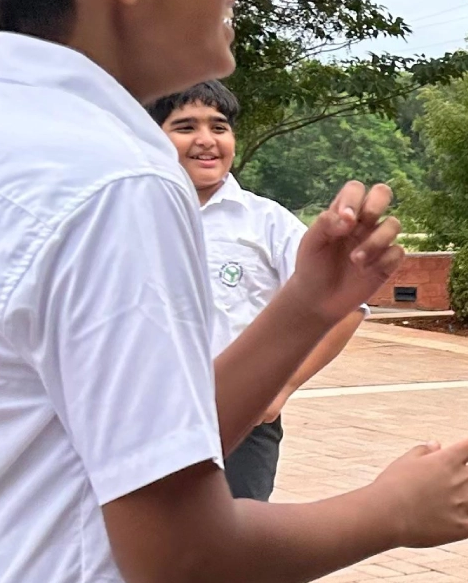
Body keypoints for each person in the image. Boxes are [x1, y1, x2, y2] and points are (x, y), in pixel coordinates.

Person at [0, 0, 468, 581]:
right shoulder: (114, 180)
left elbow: (123, 445)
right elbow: (178, 553)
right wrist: (389, 509)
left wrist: (305, 305)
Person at [148, 80, 368, 501]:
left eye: (219, 127)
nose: (205, 141)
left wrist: (281, 388)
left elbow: (346, 308)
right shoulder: (129, 217)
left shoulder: (265, 223)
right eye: (185, 127)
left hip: (244, 421)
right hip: (149, 418)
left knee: (234, 551)